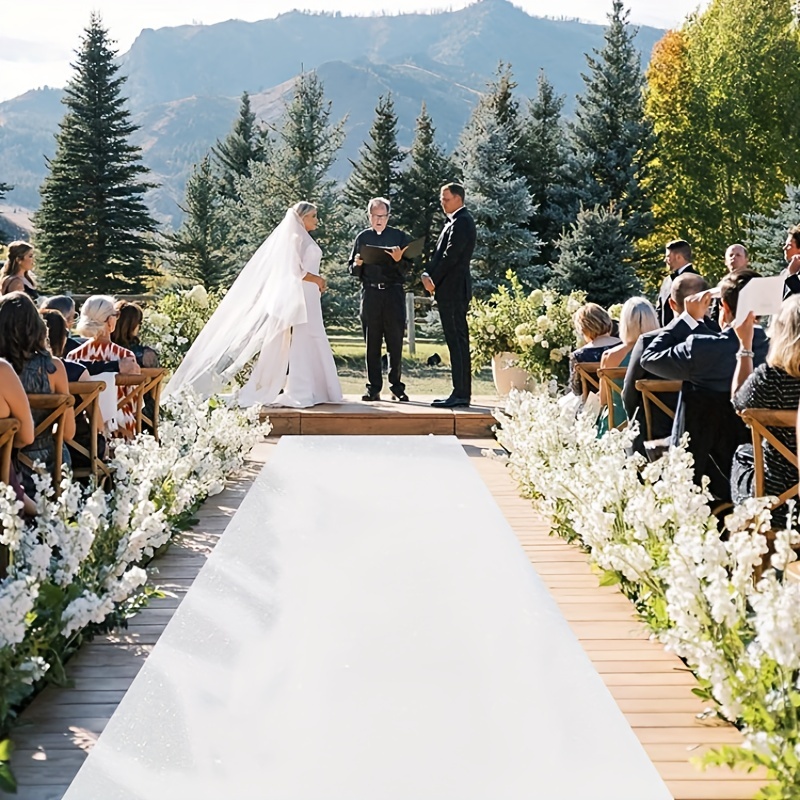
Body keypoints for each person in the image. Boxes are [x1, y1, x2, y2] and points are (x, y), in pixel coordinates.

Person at [164, 202, 343, 408]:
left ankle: (318, 389)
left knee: (313, 337)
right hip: (302, 295)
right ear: (302, 218)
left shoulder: (304, 238)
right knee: (303, 339)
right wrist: (317, 280)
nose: (316, 220)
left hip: (310, 296)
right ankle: (301, 390)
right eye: (313, 216)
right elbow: (294, 270)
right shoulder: (294, 238)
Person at [641, 270, 769, 499]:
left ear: (725, 309)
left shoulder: (700, 348)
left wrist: (687, 319)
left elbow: (650, 358)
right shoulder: (779, 350)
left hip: (705, 470)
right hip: (768, 469)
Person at [730, 296, 800, 527]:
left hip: (777, 501)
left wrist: (745, 347)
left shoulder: (769, 378)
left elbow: (738, 404)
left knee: (743, 453)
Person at [622, 273, 709, 455]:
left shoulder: (648, 342)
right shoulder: (720, 339)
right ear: (707, 302)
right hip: (708, 443)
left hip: (651, 439)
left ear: (670, 303)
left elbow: (629, 394)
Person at [0, 292, 75, 497]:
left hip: (7, 464)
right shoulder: (54, 368)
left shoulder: (2, 372)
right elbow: (68, 433)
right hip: (50, 463)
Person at [348, 197, 412, 402]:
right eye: (375, 216)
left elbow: (408, 270)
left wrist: (398, 260)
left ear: (388, 217)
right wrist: (357, 264)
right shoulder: (362, 237)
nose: (378, 220)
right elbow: (352, 269)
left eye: (382, 216)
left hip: (393, 293)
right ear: (369, 216)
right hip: (371, 294)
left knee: (395, 342)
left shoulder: (399, 236)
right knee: (372, 343)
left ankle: (396, 387)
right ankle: (373, 387)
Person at [422, 183, 476, 408]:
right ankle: (460, 391)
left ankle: (462, 393)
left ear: (458, 199)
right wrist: (427, 273)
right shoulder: (454, 221)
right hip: (449, 289)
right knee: (455, 341)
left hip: (454, 289)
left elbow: (450, 255)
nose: (442, 202)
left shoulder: (462, 221)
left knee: (458, 341)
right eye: (441, 198)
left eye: (446, 199)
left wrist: (432, 279)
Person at [67, 296, 140, 440]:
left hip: (85, 427)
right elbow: (135, 402)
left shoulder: (73, 357)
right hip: (121, 428)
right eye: (115, 315)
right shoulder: (125, 357)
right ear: (110, 321)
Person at [597, 297, 658, 436]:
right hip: (655, 424)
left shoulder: (609, 357)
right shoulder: (663, 353)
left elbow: (604, 400)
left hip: (617, 425)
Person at [568, 303, 621, 396]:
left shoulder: (579, 356)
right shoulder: (625, 347)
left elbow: (577, 390)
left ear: (583, 329)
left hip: (595, 405)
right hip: (624, 401)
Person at [655, 239, 697, 327]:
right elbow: (659, 310)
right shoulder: (667, 280)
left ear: (678, 257)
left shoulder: (695, 280)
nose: (665, 260)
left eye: (668, 256)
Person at [111, 301, 159, 368]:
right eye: (139, 322)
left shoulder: (100, 350)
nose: (140, 326)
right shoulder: (146, 355)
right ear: (130, 325)